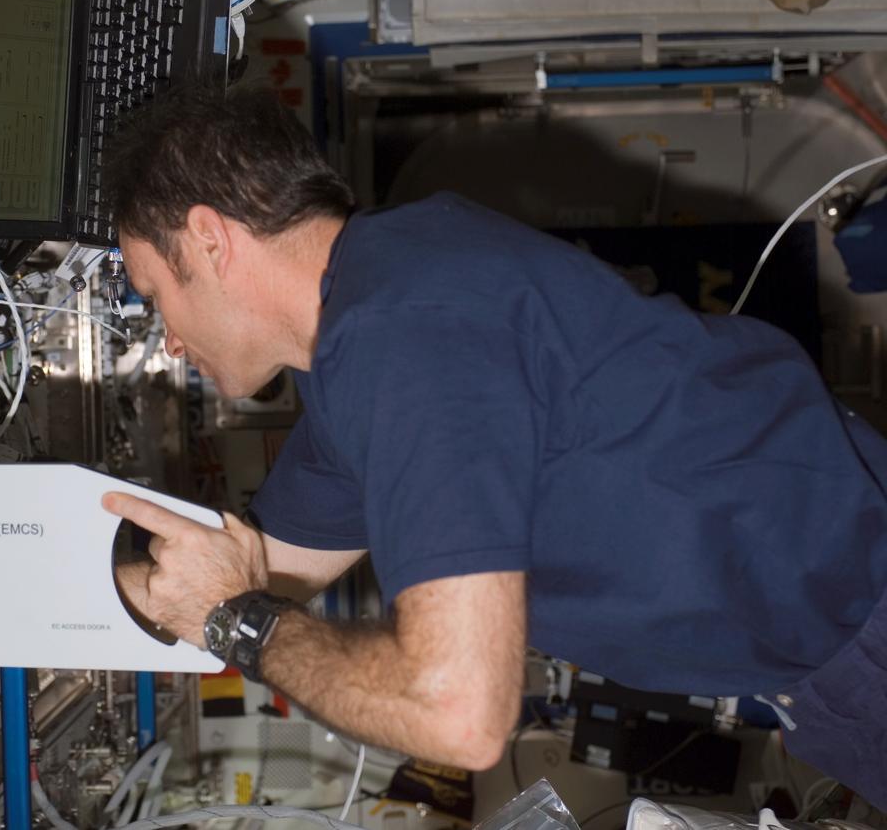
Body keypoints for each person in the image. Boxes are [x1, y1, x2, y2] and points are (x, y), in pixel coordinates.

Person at [99, 84, 887, 802]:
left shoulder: (401, 336)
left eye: (155, 295)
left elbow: (458, 716)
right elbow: (257, 565)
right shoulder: (375, 308)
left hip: (866, 620)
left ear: (209, 239)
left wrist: (240, 622)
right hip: (826, 656)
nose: (167, 340)